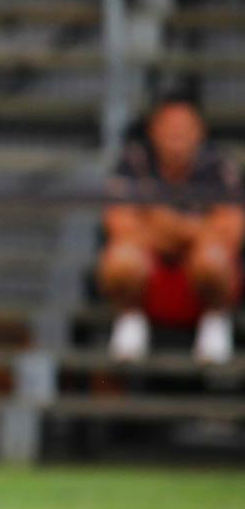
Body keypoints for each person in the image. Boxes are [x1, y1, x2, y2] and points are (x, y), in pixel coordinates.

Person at [100, 94, 243, 365]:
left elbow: (231, 234)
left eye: (184, 127)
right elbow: (119, 225)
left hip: (201, 275)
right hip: (149, 271)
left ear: (199, 131)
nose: (176, 136)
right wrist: (196, 231)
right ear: (154, 129)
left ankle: (214, 321)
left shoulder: (221, 168)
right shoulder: (133, 164)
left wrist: (165, 224)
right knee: (120, 259)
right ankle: (130, 319)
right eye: (169, 127)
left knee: (212, 258)